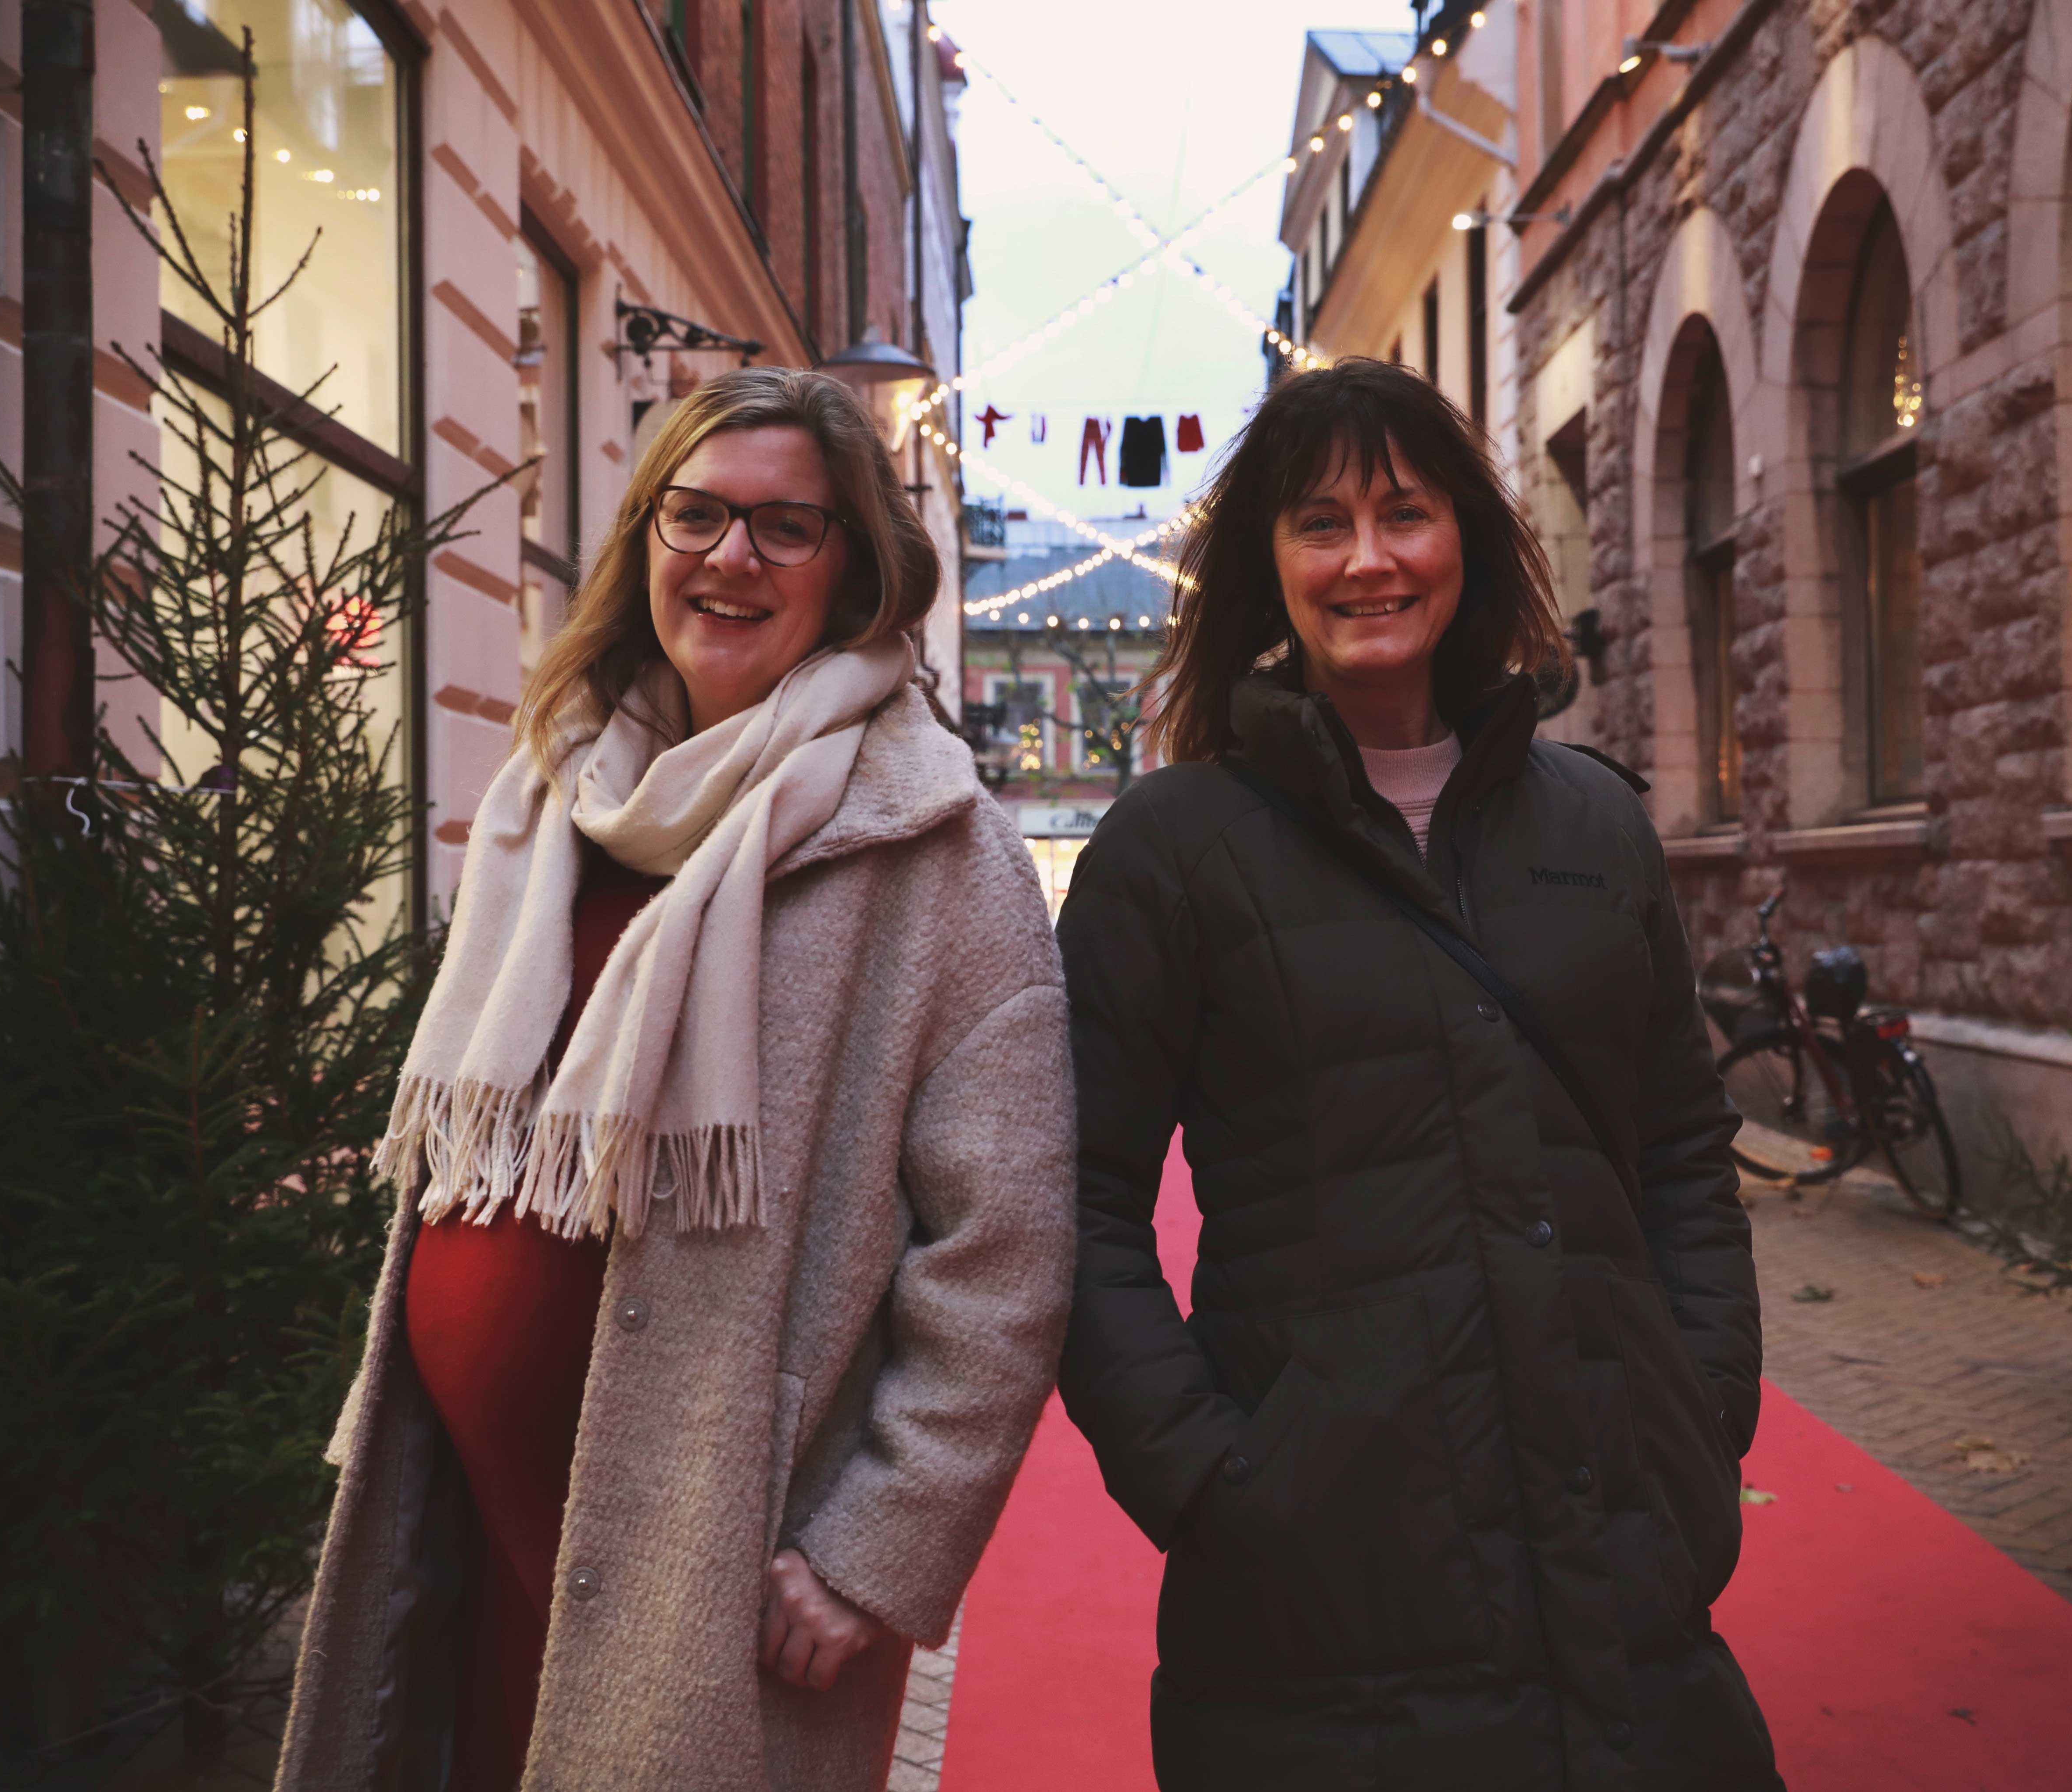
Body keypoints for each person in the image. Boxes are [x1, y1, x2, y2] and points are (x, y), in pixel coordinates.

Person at [276, 366, 1075, 1792]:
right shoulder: (553, 796)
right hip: (467, 1514)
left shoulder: (939, 850)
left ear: (853, 568)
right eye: (693, 515)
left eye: (785, 526)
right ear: (643, 537)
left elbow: (1005, 1251)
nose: (729, 556)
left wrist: (875, 1549)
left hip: (713, 1562)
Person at [1054, 358, 1780, 1790]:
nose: (1368, 558)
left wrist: (1701, 1403)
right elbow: (1072, 1198)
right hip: (1315, 1609)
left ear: (1466, 539)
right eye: (1321, 524)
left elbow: (1684, 1148)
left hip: (1620, 1552)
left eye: (1404, 513)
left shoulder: (1594, 823)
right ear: (1269, 566)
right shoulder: (1172, 848)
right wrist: (1207, 1475)